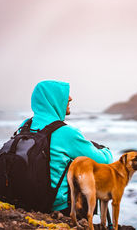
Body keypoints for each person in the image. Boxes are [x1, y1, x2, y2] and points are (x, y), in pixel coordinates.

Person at [20, 80, 113, 214]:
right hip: (58, 207)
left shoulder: (25, 126)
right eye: (64, 94)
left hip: (28, 201)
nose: (70, 98)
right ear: (51, 99)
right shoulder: (65, 132)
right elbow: (103, 162)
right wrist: (106, 150)